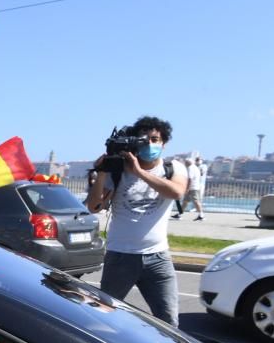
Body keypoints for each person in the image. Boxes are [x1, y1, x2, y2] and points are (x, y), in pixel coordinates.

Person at [85, 115, 188, 326]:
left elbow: (176, 192)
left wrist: (139, 172)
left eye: (154, 139)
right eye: (143, 139)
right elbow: (93, 206)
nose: (149, 144)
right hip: (121, 256)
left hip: (157, 256)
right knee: (104, 317)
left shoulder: (173, 168)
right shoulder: (118, 171)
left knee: (169, 320)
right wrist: (102, 173)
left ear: (164, 143)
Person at [173, 155, 203, 221]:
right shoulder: (195, 167)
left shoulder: (191, 168)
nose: (185, 163)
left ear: (189, 162)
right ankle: (179, 214)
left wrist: (187, 188)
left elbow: (190, 179)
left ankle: (201, 215)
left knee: (195, 201)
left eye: (186, 162)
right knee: (185, 201)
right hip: (194, 187)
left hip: (193, 188)